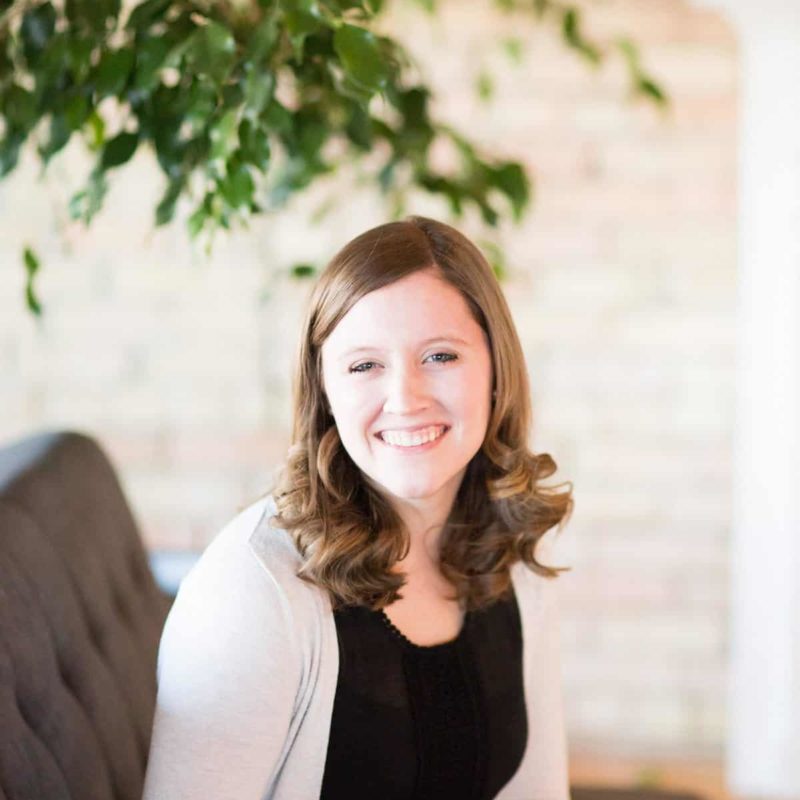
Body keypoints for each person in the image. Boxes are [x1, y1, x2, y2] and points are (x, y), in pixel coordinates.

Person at [142, 215, 574, 800]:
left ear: (496, 370)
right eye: (365, 365)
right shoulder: (251, 590)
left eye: (441, 356)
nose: (406, 399)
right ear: (326, 394)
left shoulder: (514, 546)